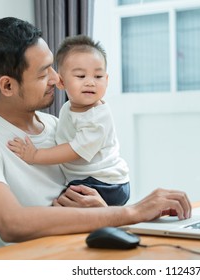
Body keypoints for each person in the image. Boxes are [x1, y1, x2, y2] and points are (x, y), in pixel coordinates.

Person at [0, 17, 191, 250]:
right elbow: (10, 223)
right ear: (8, 86)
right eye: (43, 74)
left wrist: (105, 211)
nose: (56, 78)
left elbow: (92, 205)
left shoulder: (57, 124)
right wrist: (131, 212)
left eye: (52, 66)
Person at [8, 35, 130, 206]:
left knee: (62, 203)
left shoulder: (98, 118)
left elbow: (75, 150)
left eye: (98, 76)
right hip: (88, 178)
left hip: (106, 183)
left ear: (107, 80)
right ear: (61, 82)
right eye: (81, 76)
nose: (90, 83)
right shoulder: (68, 107)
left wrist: (35, 155)